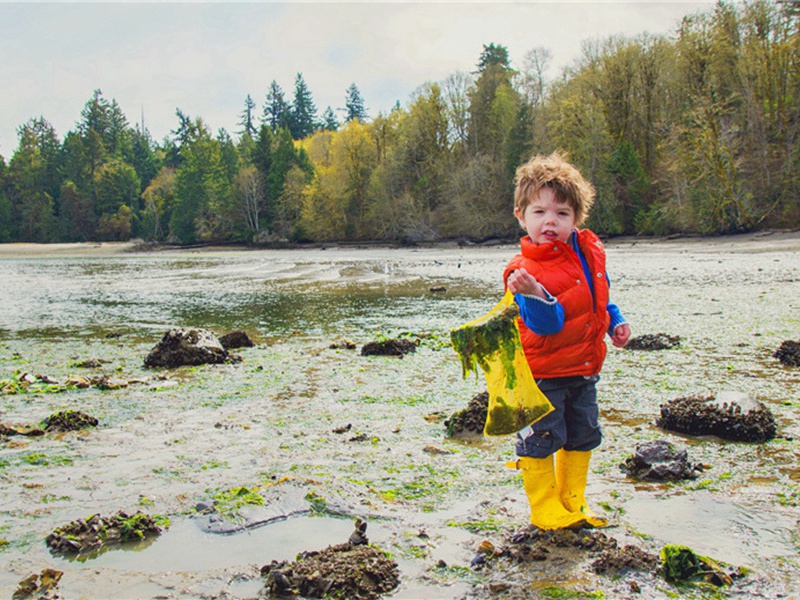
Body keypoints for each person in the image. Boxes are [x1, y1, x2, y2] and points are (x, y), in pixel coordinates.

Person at [503, 151, 631, 530]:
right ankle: (544, 508)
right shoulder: (522, 270)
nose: (550, 222)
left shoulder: (588, 252)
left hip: (585, 367)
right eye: (539, 212)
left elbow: (595, 298)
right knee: (542, 439)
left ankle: (572, 502)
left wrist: (615, 321)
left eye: (561, 213)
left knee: (583, 436)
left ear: (576, 218)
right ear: (521, 216)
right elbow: (547, 324)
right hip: (542, 374)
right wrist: (534, 293)